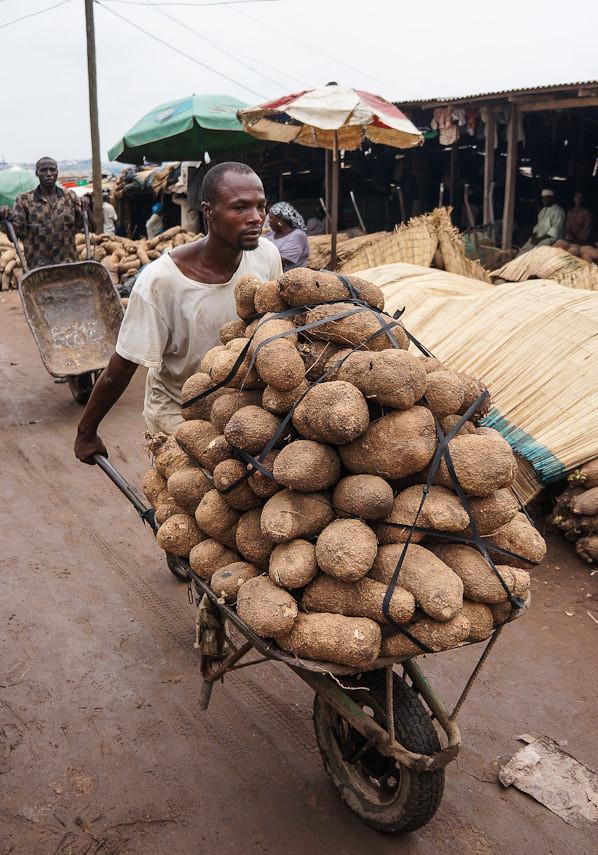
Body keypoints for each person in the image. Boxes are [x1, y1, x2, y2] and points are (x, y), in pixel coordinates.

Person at [74, 162, 282, 462]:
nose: (256, 218)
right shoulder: (159, 282)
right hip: (178, 411)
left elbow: (272, 324)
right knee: (186, 500)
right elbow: (125, 363)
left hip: (239, 408)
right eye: (240, 208)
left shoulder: (266, 255)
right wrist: (86, 431)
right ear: (208, 211)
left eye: (260, 206)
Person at [0, 156, 85, 269]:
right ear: (37, 173)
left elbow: (82, 225)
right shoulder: (24, 201)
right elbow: (14, 235)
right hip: (39, 269)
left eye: (52, 170)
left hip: (68, 265)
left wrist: (86, 207)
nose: (49, 174)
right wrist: (4, 218)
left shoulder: (69, 197)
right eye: (44, 170)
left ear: (57, 173)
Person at [265, 201, 309, 271]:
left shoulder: (298, 235)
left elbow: (281, 261)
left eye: (271, 218)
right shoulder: (269, 235)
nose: (268, 221)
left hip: (292, 278)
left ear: (280, 220)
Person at [519, 189, 565, 254]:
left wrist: (539, 239)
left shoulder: (558, 211)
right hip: (539, 236)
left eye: (546, 199)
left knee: (536, 252)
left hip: (550, 239)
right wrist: (534, 235)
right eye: (543, 199)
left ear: (552, 199)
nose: (544, 201)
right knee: (525, 249)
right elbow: (538, 225)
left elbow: (555, 230)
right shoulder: (543, 210)